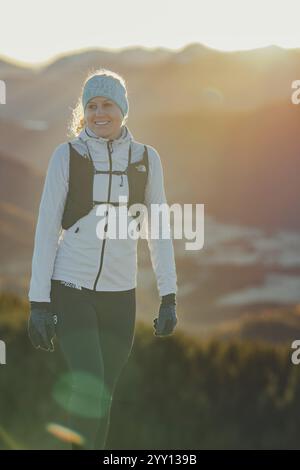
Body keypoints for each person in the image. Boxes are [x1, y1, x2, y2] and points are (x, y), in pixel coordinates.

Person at [27, 68, 178, 450]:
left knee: (104, 394)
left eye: (107, 104)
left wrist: (169, 296)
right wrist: (38, 302)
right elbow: (47, 230)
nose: (99, 113)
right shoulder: (68, 156)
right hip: (71, 287)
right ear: (83, 111)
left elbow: (157, 230)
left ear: (122, 109)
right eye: (91, 105)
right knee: (88, 382)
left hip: (120, 294)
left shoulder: (147, 159)